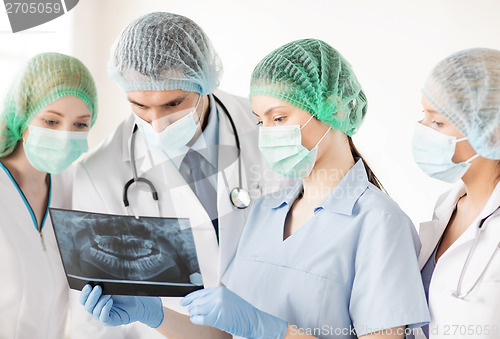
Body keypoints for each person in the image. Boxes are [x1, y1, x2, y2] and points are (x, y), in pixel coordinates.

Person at [80, 39, 430, 338]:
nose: (267, 133)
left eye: (279, 118)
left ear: (335, 108)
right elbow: (228, 332)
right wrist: (153, 314)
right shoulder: (264, 211)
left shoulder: (379, 223)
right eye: (260, 121)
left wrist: (273, 330)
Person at [70, 12, 289, 339]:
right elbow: (98, 322)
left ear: (204, 82)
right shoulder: (100, 173)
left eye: (173, 103)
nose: (157, 124)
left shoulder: (265, 126)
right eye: (140, 106)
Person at [0, 52, 97, 339]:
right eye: (51, 122)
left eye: (80, 124)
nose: (66, 136)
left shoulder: (74, 188)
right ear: (23, 116)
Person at [411, 48, 500, 339]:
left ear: (489, 132)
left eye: (438, 122)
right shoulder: (446, 207)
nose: (423, 130)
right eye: (424, 116)